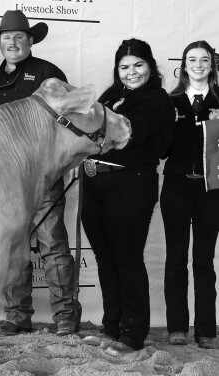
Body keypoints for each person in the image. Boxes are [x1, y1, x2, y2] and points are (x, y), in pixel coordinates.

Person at [0, 9, 80, 337]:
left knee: (53, 243)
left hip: (42, 177)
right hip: (3, 182)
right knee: (11, 247)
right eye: (6, 38)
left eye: (19, 37)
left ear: (30, 40)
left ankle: (65, 316)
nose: (12, 43)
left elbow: (73, 117)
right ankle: (18, 315)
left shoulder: (49, 74)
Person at [81, 38, 175, 356]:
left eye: (138, 65)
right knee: (106, 261)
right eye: (124, 66)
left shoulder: (158, 100)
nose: (131, 72)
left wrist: (87, 127)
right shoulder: (112, 96)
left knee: (128, 259)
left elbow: (128, 134)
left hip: (131, 185)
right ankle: (112, 328)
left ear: (150, 67)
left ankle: (132, 336)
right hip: (95, 183)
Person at [161, 40, 219, 349]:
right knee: (175, 258)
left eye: (204, 59)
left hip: (211, 190)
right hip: (177, 186)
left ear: (212, 64)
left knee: (204, 260)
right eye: (192, 59)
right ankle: (177, 328)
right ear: (184, 65)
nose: (198, 64)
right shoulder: (170, 101)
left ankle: (207, 330)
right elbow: (161, 150)